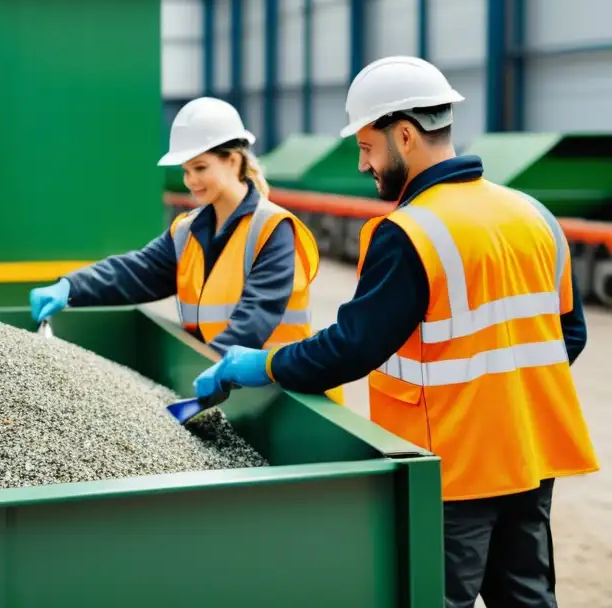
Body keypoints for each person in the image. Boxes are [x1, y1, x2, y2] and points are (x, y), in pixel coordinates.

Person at [193, 56, 599, 607]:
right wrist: (506, 402)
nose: (363, 164)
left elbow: (350, 347)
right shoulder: (533, 215)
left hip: (450, 470)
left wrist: (260, 364)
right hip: (531, 455)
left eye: (366, 147)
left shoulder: (409, 232)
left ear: (403, 135)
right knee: (527, 597)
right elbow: (567, 336)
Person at [29, 97, 344, 405]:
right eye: (186, 170)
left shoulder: (273, 229)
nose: (190, 180)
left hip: (284, 396)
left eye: (200, 167)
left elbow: (256, 316)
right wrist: (72, 286)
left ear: (233, 160)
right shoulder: (187, 231)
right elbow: (138, 271)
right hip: (228, 388)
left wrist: (207, 367)